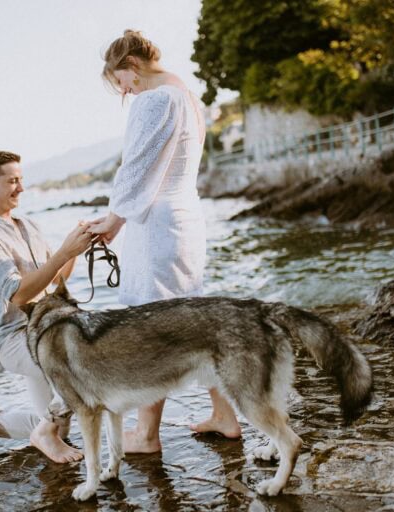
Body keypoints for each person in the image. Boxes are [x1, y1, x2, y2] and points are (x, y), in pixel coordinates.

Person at [87, 30, 242, 454]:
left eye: (121, 80)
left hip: (156, 226)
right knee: (190, 323)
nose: (123, 89)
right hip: (186, 219)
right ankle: (225, 414)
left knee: (153, 328)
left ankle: (147, 435)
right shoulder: (188, 97)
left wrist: (114, 220)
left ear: (132, 65)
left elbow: (136, 167)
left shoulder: (153, 98)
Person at [0, 150, 92, 463]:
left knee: (58, 428)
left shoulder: (27, 224)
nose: (21, 188)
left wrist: (78, 246)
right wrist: (64, 252)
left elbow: (56, 278)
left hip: (46, 328)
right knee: (79, 366)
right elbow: (19, 295)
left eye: (21, 180)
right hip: (15, 337)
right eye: (13, 181)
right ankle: (44, 432)